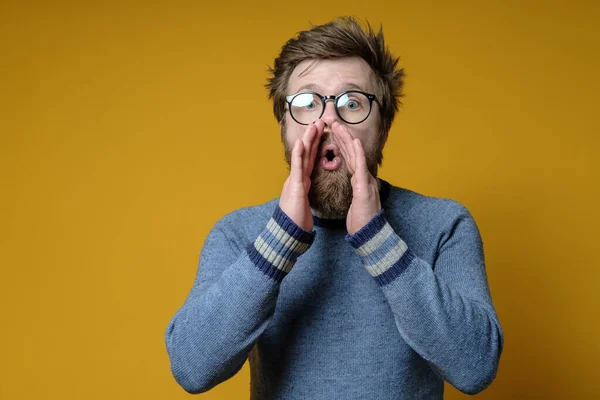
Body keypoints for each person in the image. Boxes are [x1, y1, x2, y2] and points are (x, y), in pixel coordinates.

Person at [165, 17, 504, 399]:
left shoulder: (444, 225)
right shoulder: (239, 233)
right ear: (283, 125)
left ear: (384, 127)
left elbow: (476, 367)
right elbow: (192, 368)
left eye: (352, 102)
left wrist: (377, 237)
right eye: (307, 103)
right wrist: (280, 239)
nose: (329, 120)